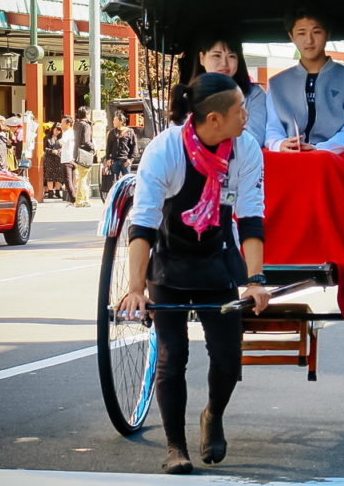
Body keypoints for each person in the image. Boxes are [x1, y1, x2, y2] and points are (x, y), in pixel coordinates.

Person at [115, 72, 270, 475]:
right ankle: (175, 447)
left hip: (218, 257)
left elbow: (251, 217)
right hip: (168, 261)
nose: (246, 116)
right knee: (173, 356)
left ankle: (213, 414)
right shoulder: (165, 150)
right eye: (240, 110)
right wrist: (136, 288)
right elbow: (143, 223)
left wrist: (255, 281)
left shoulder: (245, 148)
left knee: (228, 356)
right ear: (214, 119)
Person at [265, 7, 344, 154]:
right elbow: (272, 127)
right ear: (291, 36)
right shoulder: (277, 83)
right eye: (301, 33)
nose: (309, 40)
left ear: (327, 34)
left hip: (335, 156)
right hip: (290, 155)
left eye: (316, 32)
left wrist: (321, 148)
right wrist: (278, 144)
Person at [184, 31, 268, 147]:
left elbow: (255, 138)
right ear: (202, 58)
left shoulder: (254, 94)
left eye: (231, 56)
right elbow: (182, 137)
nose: (224, 63)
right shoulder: (188, 95)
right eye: (217, 55)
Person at [105, 111, 139, 179]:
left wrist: (130, 159)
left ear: (121, 121)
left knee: (127, 180)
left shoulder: (129, 131)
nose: (113, 122)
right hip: (114, 161)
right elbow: (108, 147)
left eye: (115, 120)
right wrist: (108, 159)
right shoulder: (112, 132)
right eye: (113, 120)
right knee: (114, 181)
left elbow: (134, 146)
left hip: (125, 161)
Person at [72, 105, 95, 207]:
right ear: (87, 114)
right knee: (83, 178)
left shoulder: (76, 124)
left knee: (82, 177)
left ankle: (85, 200)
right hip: (85, 153)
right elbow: (86, 141)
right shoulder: (86, 125)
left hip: (77, 153)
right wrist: (93, 147)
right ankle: (80, 201)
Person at [42, 124, 67, 199]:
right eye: (56, 130)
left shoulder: (62, 138)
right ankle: (50, 192)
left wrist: (60, 150)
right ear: (53, 129)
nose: (57, 132)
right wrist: (51, 151)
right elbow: (44, 148)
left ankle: (57, 191)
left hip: (59, 159)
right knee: (50, 176)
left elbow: (65, 147)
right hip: (49, 159)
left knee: (59, 176)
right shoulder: (47, 138)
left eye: (59, 130)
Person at [59, 116, 77, 205]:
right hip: (73, 158)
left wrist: (58, 141)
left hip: (66, 159)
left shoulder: (66, 133)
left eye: (62, 123)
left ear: (68, 124)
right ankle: (73, 199)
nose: (61, 125)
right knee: (73, 181)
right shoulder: (74, 132)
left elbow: (62, 141)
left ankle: (74, 200)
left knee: (67, 181)